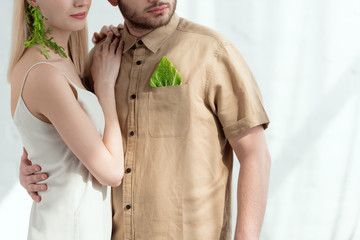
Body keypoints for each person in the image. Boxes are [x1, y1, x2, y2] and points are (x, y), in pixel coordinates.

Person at [19, 0, 272, 239]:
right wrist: (32, 168)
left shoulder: (212, 52)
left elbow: (254, 153)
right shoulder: (99, 61)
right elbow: (66, 140)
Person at [9, 0, 125, 239]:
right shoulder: (44, 73)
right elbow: (112, 173)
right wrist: (104, 85)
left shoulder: (62, 62)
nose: (81, 1)